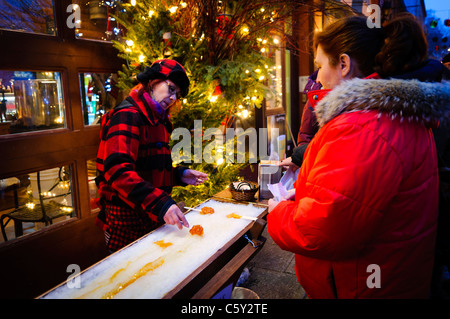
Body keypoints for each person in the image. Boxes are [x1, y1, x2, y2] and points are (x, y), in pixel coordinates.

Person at [267, 15, 450, 298]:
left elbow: (324, 229)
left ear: (343, 63)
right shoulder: (391, 113)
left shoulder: (363, 127)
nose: (317, 78)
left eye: (319, 66)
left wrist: (278, 213)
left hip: (363, 285)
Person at [95, 59, 208, 253]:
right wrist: (162, 204)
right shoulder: (127, 115)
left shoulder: (157, 120)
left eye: (177, 95)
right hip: (125, 221)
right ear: (153, 81)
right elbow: (118, 172)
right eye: (171, 89)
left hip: (148, 217)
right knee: (130, 278)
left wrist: (179, 175)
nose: (173, 98)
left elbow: (147, 169)